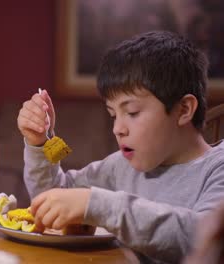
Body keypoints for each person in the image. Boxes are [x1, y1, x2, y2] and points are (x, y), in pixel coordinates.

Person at [17, 31, 224, 263]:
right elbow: (52, 199)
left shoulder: (218, 168)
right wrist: (40, 143)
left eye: (132, 112)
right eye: (113, 114)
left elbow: (202, 239)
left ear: (184, 110)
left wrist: (98, 204)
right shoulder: (121, 165)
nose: (118, 128)